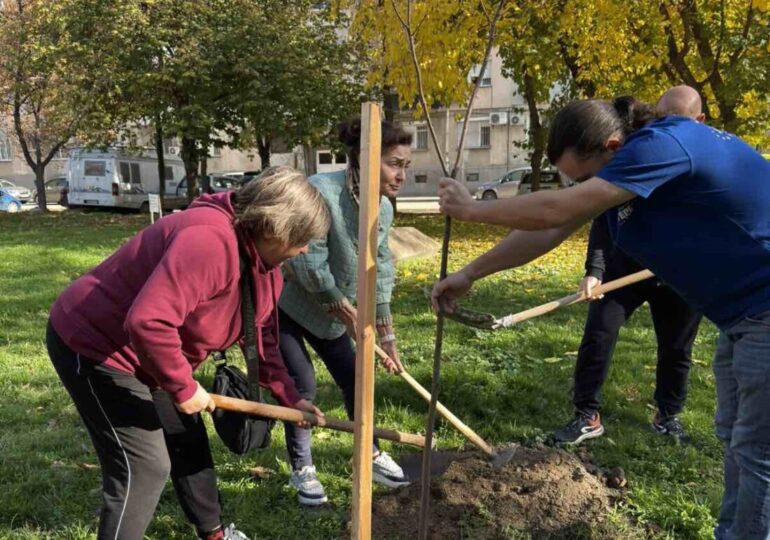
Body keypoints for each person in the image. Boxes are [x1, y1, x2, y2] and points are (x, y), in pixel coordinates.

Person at [432, 96, 770, 539]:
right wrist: (469, 273)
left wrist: (472, 210)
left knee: (756, 448)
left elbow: (558, 210)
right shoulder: (629, 162)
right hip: (741, 315)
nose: (581, 188)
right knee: (735, 437)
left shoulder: (663, 144)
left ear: (613, 146)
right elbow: (552, 228)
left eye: (585, 178)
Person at [46, 167, 329, 540]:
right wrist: (182, 386)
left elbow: (261, 340)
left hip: (158, 355)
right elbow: (148, 322)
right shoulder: (209, 241)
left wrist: (292, 400)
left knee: (187, 437)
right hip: (97, 346)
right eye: (302, 238)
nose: (305, 248)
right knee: (144, 465)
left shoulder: (268, 269)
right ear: (274, 227)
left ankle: (213, 534)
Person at [554, 88, 706, 445]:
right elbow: (601, 219)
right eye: (662, 119)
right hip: (625, 269)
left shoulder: (693, 163)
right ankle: (586, 416)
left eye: (678, 121)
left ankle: (668, 415)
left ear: (699, 122)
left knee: (677, 348)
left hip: (677, 274)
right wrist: (595, 270)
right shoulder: (634, 158)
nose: (669, 129)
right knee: (598, 335)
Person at [277, 118, 412, 505]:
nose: (401, 174)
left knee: (357, 379)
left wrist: (387, 338)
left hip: (333, 317)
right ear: (364, 160)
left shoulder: (383, 209)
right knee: (303, 385)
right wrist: (348, 312)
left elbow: (381, 268)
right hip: (288, 307)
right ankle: (302, 469)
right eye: (394, 163)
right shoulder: (323, 192)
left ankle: (366, 452)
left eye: (405, 165)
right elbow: (308, 263)